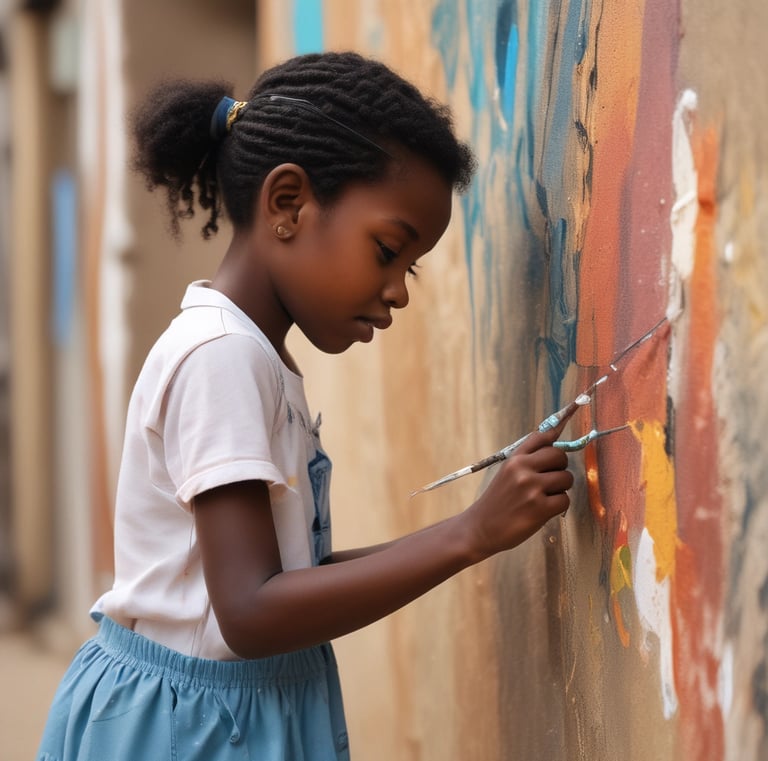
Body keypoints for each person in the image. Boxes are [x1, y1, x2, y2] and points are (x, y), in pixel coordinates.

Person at [37, 51, 574, 761]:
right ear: (288, 204)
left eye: (407, 266)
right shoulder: (220, 355)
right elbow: (252, 611)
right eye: (387, 250)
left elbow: (291, 580)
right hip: (183, 731)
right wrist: (469, 533)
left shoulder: (259, 356)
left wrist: (476, 525)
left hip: (224, 713)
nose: (399, 290)